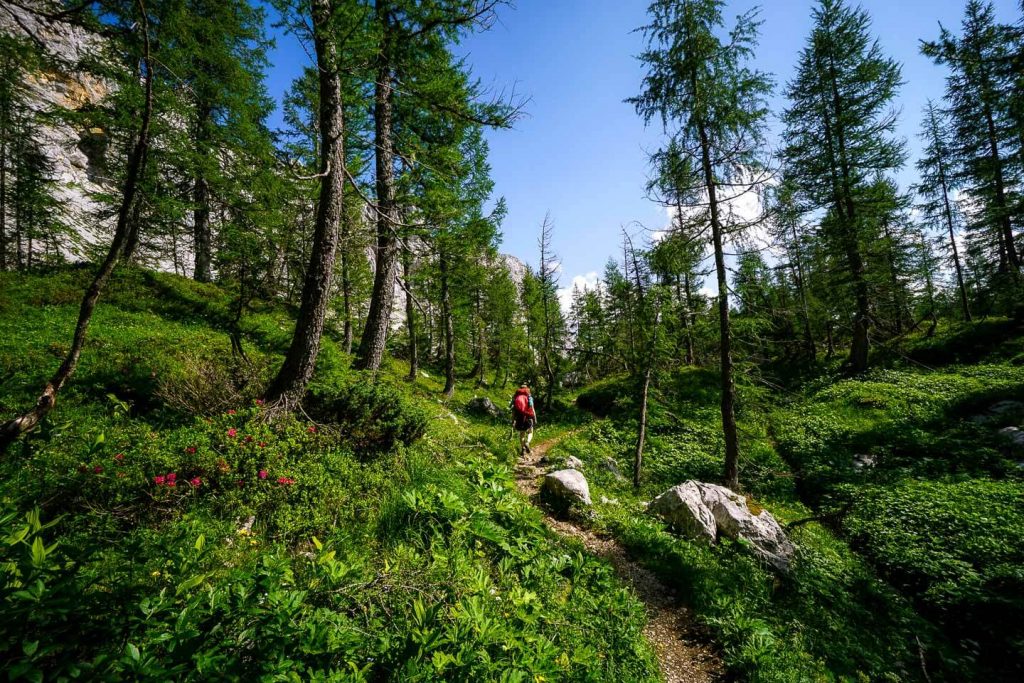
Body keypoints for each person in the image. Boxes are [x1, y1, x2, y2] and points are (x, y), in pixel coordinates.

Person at [509, 384, 536, 455]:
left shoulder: (516, 397)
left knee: (522, 434)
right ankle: (527, 443)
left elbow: (513, 411)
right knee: (530, 431)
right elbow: (532, 409)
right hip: (528, 416)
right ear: (527, 389)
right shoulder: (529, 397)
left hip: (519, 418)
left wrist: (512, 421)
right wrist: (535, 418)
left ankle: (523, 448)